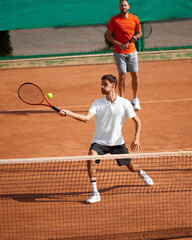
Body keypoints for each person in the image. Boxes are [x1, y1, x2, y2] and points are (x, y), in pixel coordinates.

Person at [59, 74, 153, 204]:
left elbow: (138, 122)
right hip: (99, 142)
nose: (102, 87)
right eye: (101, 84)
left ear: (113, 86)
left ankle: (141, 172)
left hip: (117, 143)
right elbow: (86, 118)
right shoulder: (97, 103)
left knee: (131, 167)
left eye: (105, 84)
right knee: (91, 158)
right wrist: (69, 113)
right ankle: (95, 192)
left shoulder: (125, 103)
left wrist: (136, 139)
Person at [106, 0, 142, 110]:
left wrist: (137, 37)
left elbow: (140, 33)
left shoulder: (134, 18)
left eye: (125, 5)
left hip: (132, 51)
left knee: (135, 74)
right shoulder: (114, 20)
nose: (124, 6)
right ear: (119, 7)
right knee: (122, 75)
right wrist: (120, 44)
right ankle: (121, 101)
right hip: (119, 52)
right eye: (122, 5)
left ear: (128, 6)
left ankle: (135, 100)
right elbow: (109, 36)